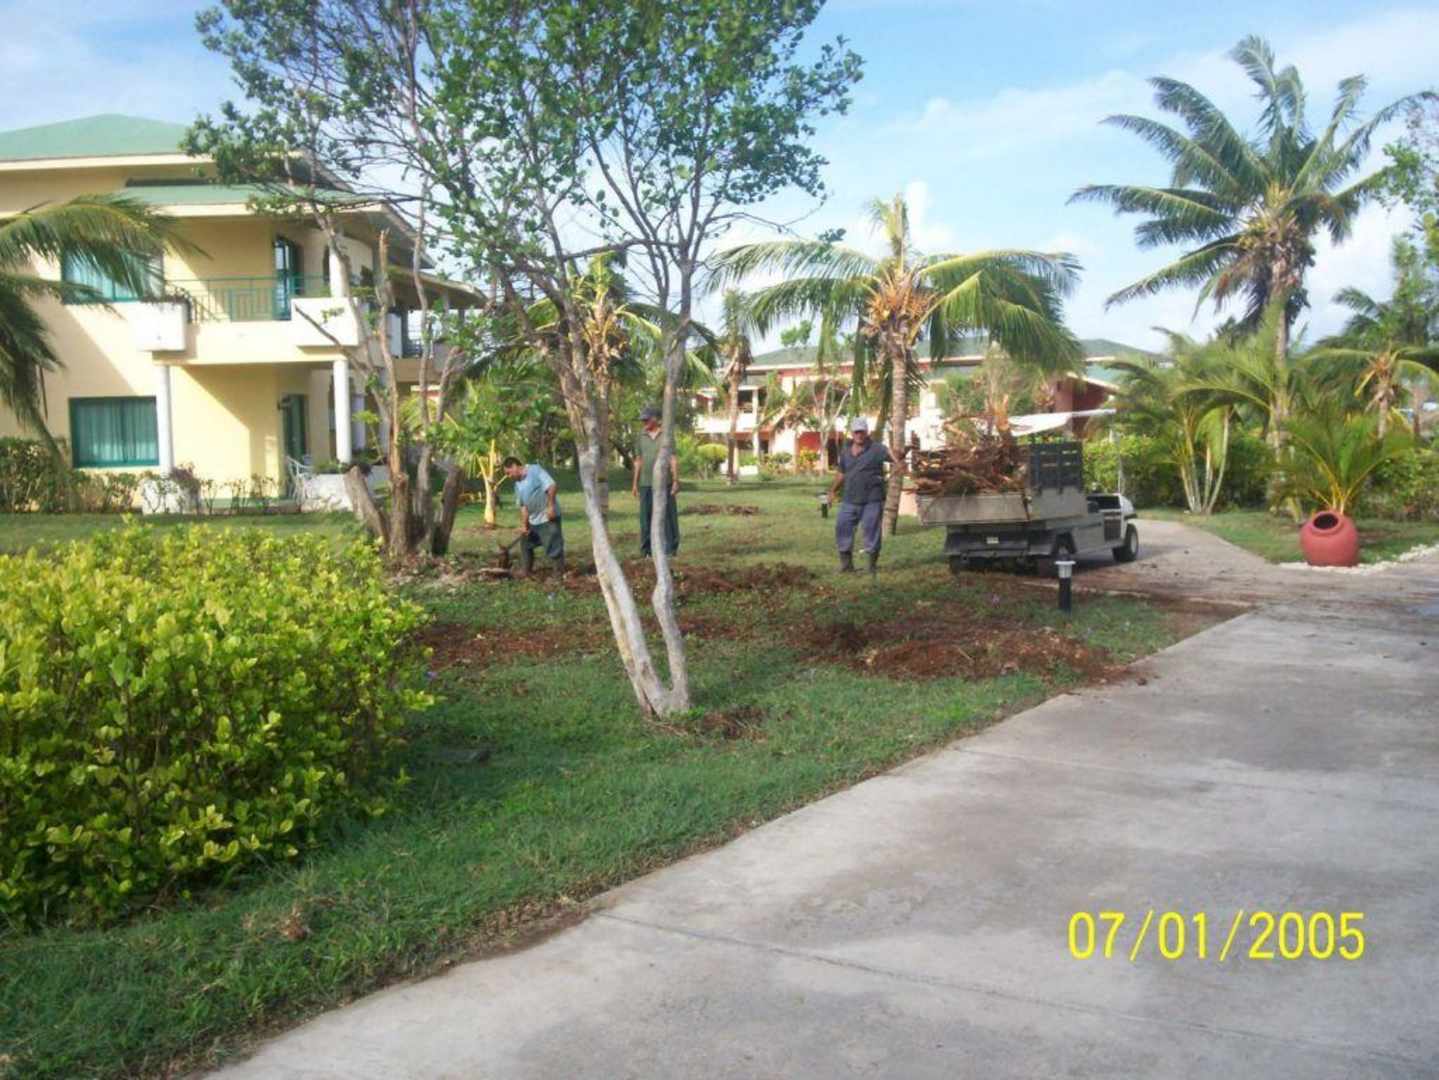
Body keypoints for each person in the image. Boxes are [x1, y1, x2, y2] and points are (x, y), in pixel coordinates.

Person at [828, 417, 904, 574]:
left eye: (861, 432)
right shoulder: (846, 451)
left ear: (866, 432)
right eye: (856, 432)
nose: (859, 435)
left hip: (872, 500)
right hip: (849, 499)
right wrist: (832, 491)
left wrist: (898, 458)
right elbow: (841, 473)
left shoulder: (877, 449)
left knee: (871, 531)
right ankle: (846, 566)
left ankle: (871, 566)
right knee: (842, 528)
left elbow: (893, 456)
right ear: (852, 433)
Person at [632, 405, 680, 557]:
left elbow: (673, 458)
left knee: (669, 516)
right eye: (642, 420)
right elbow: (638, 460)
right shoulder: (640, 436)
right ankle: (646, 551)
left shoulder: (666, 436)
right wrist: (635, 484)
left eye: (646, 420)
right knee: (645, 518)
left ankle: (671, 549)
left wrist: (675, 480)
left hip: (665, 483)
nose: (644, 423)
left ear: (655, 419)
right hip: (645, 483)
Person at [504, 457, 565, 576]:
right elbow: (523, 506)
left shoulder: (535, 470)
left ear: (515, 466)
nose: (508, 476)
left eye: (508, 472)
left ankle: (558, 575)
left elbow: (551, 486)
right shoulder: (517, 485)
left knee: (553, 546)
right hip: (533, 521)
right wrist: (525, 525)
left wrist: (551, 507)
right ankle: (526, 571)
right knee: (525, 543)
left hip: (547, 518)